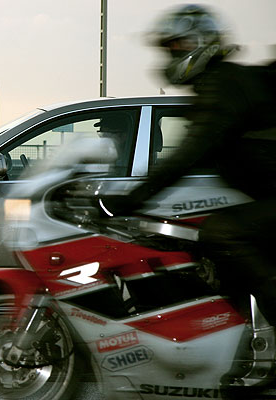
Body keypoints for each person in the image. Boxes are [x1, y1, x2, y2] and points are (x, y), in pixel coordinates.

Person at [103, 4, 276, 326]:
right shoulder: (220, 85)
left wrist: (129, 199)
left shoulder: (225, 84)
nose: (172, 56)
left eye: (177, 46)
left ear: (201, 42)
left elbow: (189, 152)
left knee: (222, 232)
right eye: (170, 48)